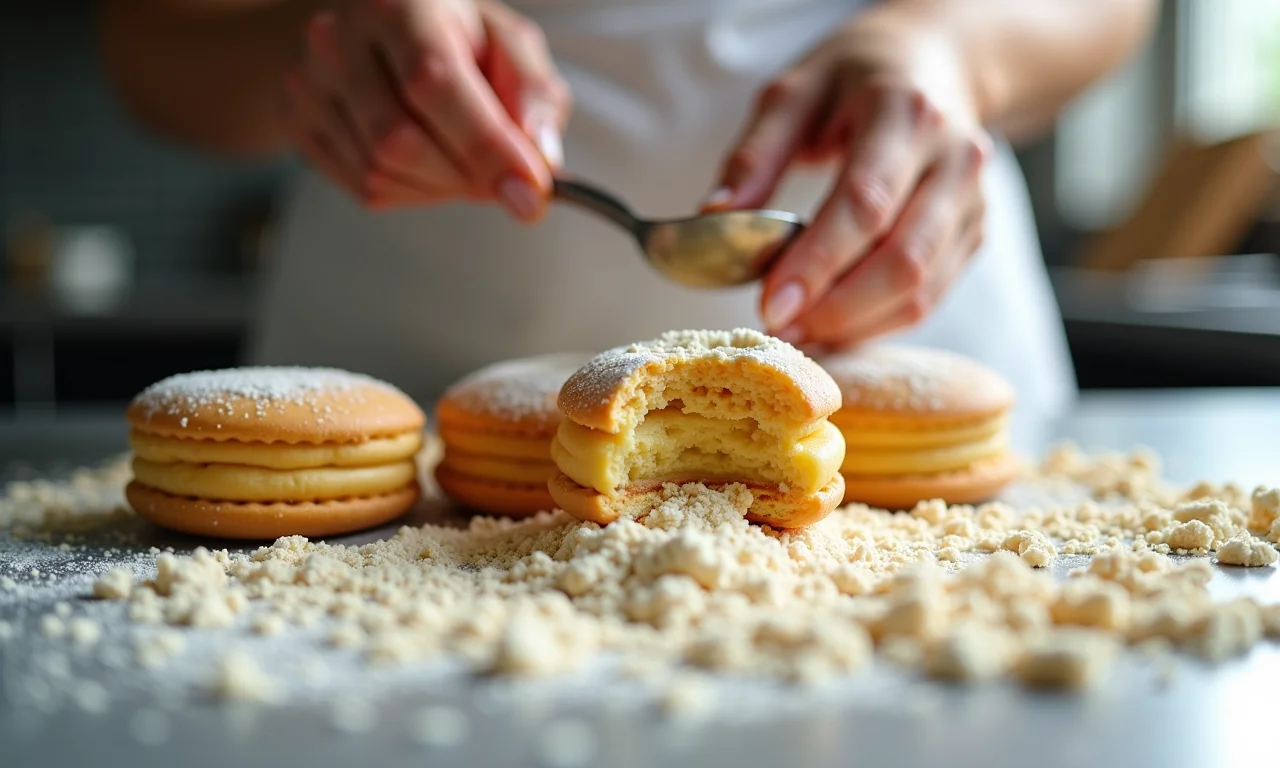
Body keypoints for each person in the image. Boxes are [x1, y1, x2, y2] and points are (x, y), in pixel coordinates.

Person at [100, 0, 1157, 427]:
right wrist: (322, 46)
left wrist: (955, 47)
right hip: (404, 395)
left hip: (902, 357)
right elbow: (150, 45)